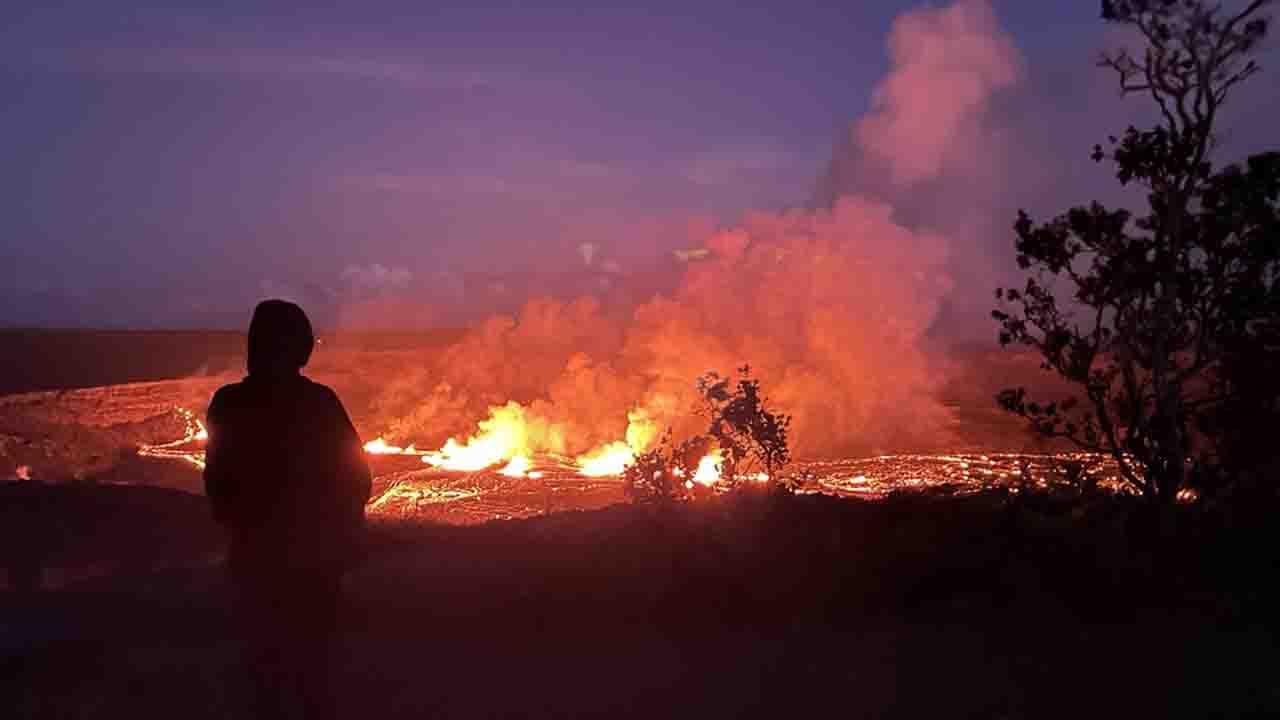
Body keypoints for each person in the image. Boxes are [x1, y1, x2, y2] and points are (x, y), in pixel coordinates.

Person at [203, 299, 372, 720]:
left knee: (264, 671)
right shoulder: (319, 402)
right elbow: (356, 477)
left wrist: (240, 528)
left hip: (254, 559)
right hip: (314, 562)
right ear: (299, 347)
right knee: (312, 673)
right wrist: (342, 532)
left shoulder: (228, 403)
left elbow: (218, 481)